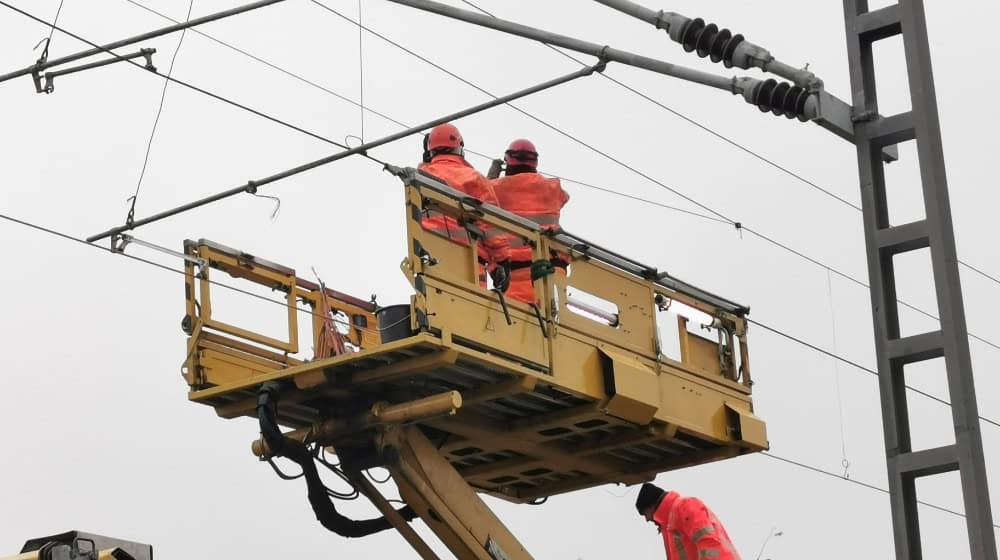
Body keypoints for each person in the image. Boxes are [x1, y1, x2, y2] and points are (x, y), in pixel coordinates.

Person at [419, 123, 510, 291]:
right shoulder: (474, 178)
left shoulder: (421, 177)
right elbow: (489, 227)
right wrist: (500, 263)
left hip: (429, 261)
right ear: (459, 147)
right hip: (469, 262)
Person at [490, 139, 570, 305]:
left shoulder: (496, 188)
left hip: (515, 276)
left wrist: (491, 176)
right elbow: (564, 197)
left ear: (508, 162)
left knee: (518, 323)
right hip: (552, 271)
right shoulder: (553, 189)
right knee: (549, 319)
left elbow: (479, 198)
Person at [635, 482, 742, 560]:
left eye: (645, 514)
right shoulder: (669, 525)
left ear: (651, 506)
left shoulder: (685, 506)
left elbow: (708, 543)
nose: (647, 519)